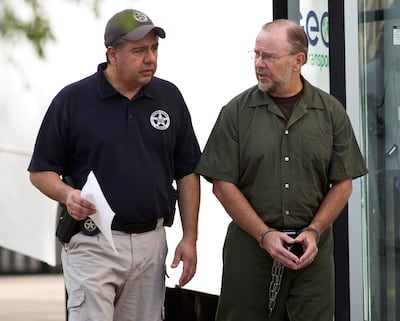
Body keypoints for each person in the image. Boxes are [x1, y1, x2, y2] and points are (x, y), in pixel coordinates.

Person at [28, 8, 201, 321]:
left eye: (154, 48)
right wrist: (68, 195)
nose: (150, 58)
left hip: (152, 242)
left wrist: (190, 238)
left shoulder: (169, 96)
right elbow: (40, 172)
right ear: (112, 54)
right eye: (138, 50)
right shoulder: (73, 100)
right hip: (93, 243)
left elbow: (187, 171)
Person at [195, 19, 368, 321]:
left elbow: (343, 184)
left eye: (269, 57)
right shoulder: (236, 112)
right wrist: (264, 235)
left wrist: (314, 230)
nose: (259, 64)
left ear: (299, 61)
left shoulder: (330, 112)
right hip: (251, 251)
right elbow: (221, 184)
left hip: (310, 255)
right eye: (257, 55)